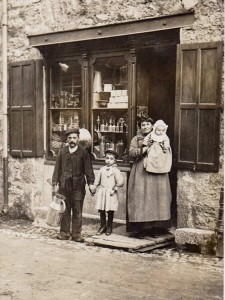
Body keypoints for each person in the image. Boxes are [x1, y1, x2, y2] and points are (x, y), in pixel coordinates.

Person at [127, 116, 172, 235]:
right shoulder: (136, 139)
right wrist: (146, 148)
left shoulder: (161, 136)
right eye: (143, 125)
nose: (145, 127)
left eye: (148, 124)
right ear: (140, 127)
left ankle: (157, 228)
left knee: (158, 198)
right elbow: (131, 153)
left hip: (158, 170)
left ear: (153, 126)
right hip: (141, 171)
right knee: (141, 198)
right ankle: (141, 229)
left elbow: (166, 151)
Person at [52, 127, 95, 242]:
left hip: (78, 186)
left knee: (77, 210)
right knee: (65, 210)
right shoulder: (62, 152)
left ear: (78, 139)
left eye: (74, 138)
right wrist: (54, 183)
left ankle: (76, 234)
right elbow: (57, 169)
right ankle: (64, 233)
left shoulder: (83, 153)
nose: (72, 140)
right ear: (67, 139)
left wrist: (91, 183)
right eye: (69, 138)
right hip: (64, 186)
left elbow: (88, 169)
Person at [90, 149, 124, 236]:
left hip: (110, 193)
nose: (109, 161)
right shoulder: (102, 169)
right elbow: (97, 181)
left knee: (110, 210)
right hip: (102, 192)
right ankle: (102, 226)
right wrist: (94, 188)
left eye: (111, 159)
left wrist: (115, 189)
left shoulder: (116, 171)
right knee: (102, 210)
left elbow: (120, 181)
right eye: (107, 158)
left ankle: (109, 227)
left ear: (115, 160)